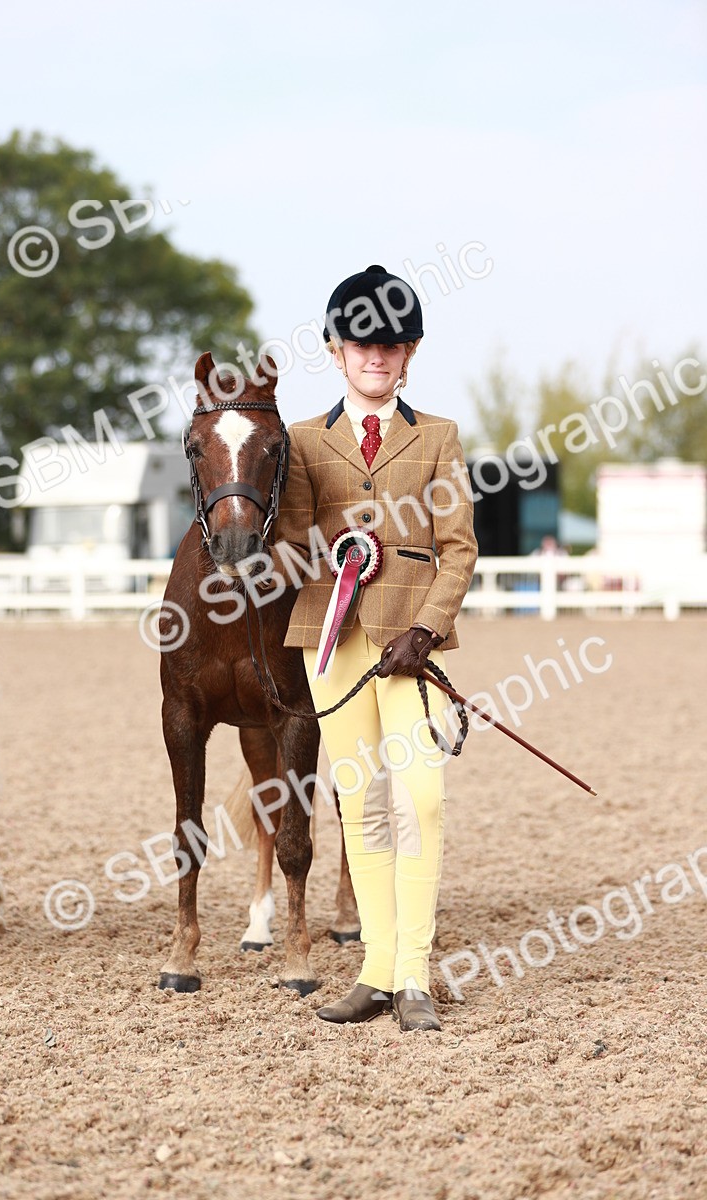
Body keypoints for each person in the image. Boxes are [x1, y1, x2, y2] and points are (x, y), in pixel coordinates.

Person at [272, 265, 478, 1032]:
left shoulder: (438, 437)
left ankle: (417, 976)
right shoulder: (302, 440)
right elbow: (290, 544)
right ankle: (377, 973)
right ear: (335, 350)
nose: (376, 358)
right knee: (360, 805)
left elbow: (458, 548)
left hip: (409, 647)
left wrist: (424, 632)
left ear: (410, 353)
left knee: (419, 797)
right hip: (331, 645)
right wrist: (331, 547)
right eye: (362, 345)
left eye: (391, 347)